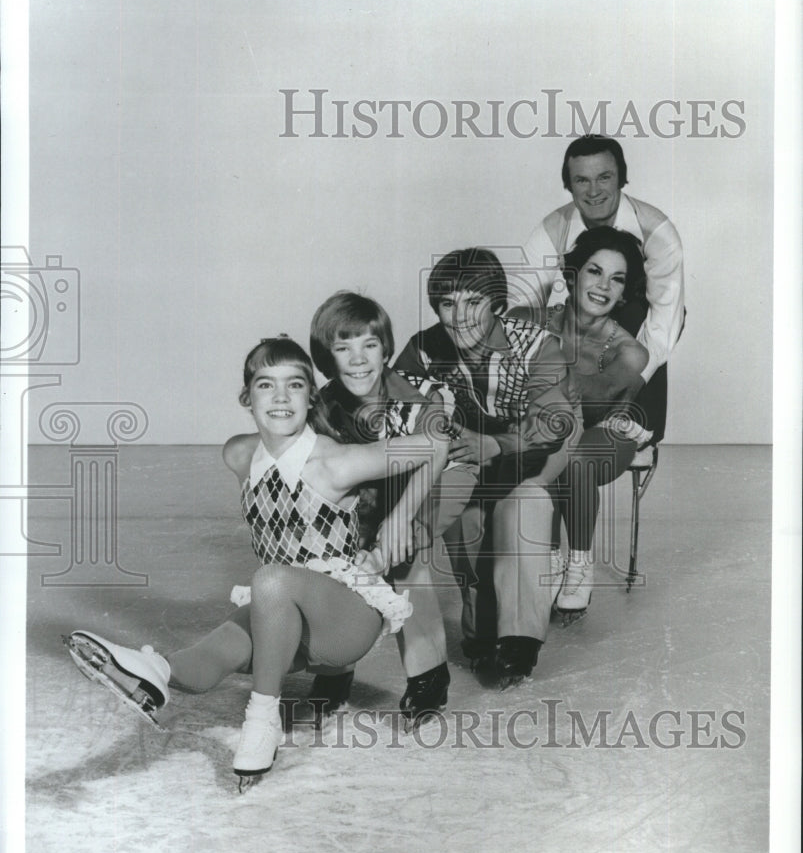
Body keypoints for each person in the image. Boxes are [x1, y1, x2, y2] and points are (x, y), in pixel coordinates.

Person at [65, 336, 449, 790]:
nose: (282, 397)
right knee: (205, 657)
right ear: (248, 398)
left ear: (312, 397)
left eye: (295, 385)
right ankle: (154, 674)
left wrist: (400, 520)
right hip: (281, 617)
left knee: (269, 579)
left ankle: (261, 722)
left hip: (345, 619)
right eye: (267, 385)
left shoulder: (336, 462)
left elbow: (437, 443)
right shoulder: (240, 454)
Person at [395, 248, 577, 688]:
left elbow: (553, 421)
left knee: (524, 505)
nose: (458, 317)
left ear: (497, 304)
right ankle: (482, 633)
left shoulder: (537, 346)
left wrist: (496, 443)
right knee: (469, 521)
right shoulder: (422, 348)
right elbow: (400, 404)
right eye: (447, 303)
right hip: (471, 446)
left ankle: (520, 642)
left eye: (473, 302)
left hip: (538, 444)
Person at [310, 292, 478, 728]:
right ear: (327, 357)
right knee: (338, 554)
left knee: (402, 552)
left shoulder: (418, 394)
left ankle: (429, 673)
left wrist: (399, 519)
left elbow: (438, 453)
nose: (358, 359)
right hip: (386, 480)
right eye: (343, 348)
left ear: (386, 349)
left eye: (369, 345)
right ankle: (334, 666)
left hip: (444, 474)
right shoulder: (325, 405)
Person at [511, 226, 653, 623]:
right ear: (571, 276)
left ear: (625, 292)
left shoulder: (630, 352)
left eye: (617, 278)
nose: (604, 285)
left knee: (570, 455)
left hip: (607, 432)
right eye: (595, 271)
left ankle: (579, 563)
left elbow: (587, 404)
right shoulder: (525, 318)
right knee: (549, 444)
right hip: (544, 428)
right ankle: (548, 555)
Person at [520, 134, 684, 442]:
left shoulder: (657, 231)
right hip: (576, 321)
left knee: (638, 312)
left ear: (622, 178)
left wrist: (634, 381)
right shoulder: (550, 230)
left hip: (631, 318)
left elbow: (665, 320)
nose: (594, 191)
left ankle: (639, 430)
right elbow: (523, 312)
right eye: (582, 180)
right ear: (568, 185)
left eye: (604, 177)